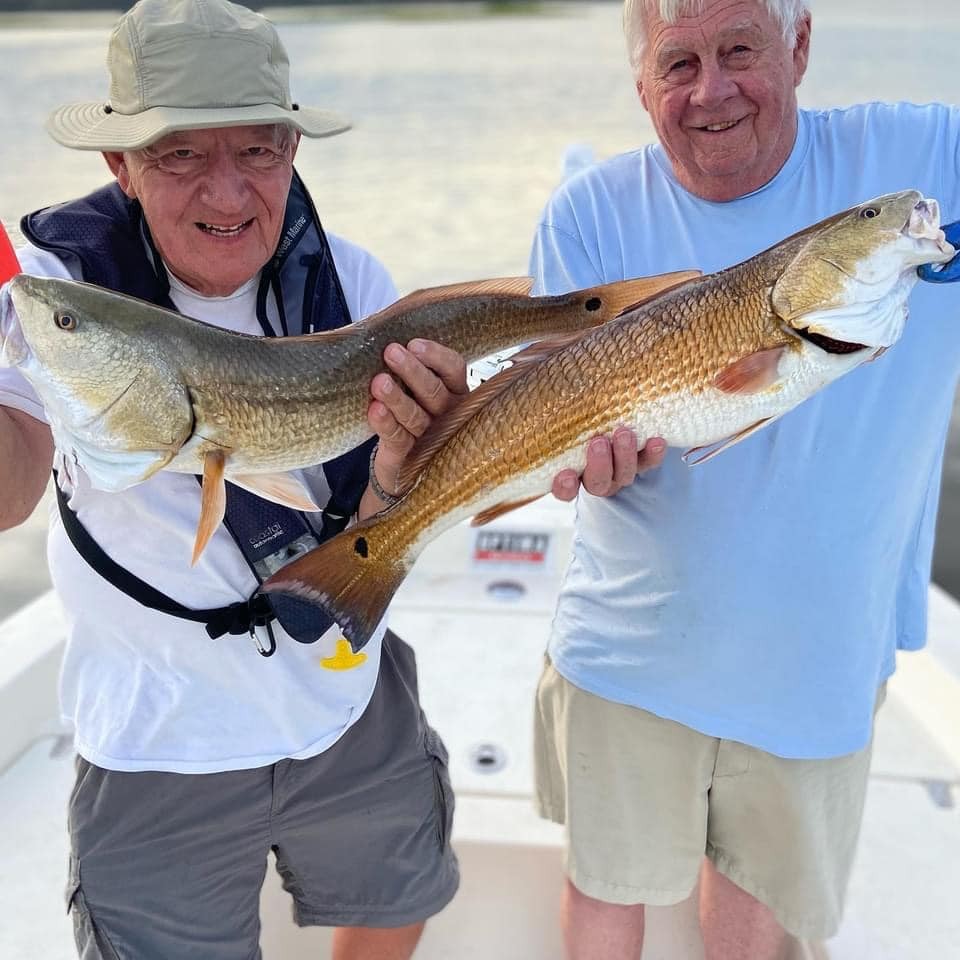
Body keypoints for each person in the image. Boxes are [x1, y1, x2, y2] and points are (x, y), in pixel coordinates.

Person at [0, 0, 463, 957]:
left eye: (259, 151)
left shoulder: (354, 288)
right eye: (179, 154)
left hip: (344, 700)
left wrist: (404, 466)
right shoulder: (54, 297)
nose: (229, 190)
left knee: (398, 899)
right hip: (158, 738)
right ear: (119, 165)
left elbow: (388, 526)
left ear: (294, 148)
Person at [529, 1, 960, 957]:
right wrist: (583, 467)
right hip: (630, 644)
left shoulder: (925, 160)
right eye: (678, 63)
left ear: (801, 46)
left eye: (740, 51)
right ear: (640, 85)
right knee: (607, 883)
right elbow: (554, 419)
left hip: (822, 651)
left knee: (758, 907)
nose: (711, 90)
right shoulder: (587, 215)